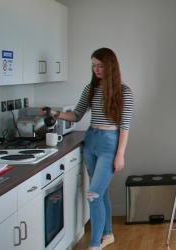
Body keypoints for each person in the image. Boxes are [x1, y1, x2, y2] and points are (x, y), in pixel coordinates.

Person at [46, 48, 133, 250]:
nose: (96, 69)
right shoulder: (91, 89)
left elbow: (125, 126)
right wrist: (55, 113)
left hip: (110, 143)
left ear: (111, 66)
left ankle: (94, 245)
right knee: (101, 194)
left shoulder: (124, 92)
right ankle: (108, 234)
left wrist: (120, 154)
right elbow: (77, 115)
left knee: (93, 194)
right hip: (91, 140)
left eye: (100, 65)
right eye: (94, 65)